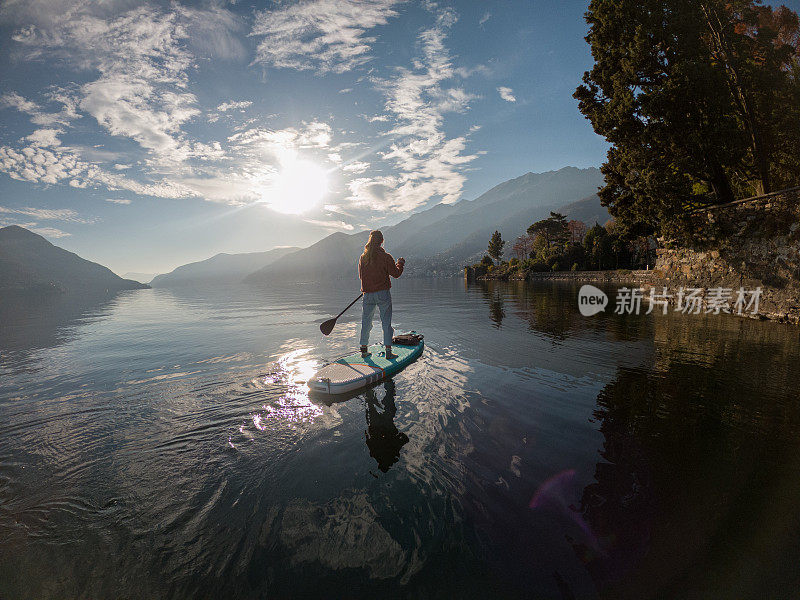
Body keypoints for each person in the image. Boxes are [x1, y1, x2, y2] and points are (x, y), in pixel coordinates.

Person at [358, 230, 404, 359]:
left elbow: (361, 276)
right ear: (382, 241)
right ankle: (388, 352)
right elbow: (396, 274)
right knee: (386, 322)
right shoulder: (386, 257)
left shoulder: (363, 257)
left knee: (366, 322)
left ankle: (363, 350)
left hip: (367, 295)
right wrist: (400, 264)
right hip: (383, 294)